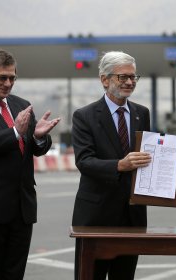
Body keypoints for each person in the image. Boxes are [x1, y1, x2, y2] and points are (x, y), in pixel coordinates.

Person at [71, 51, 151, 280]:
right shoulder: (84, 116)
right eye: (122, 77)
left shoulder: (141, 113)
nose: (129, 82)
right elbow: (84, 161)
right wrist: (120, 165)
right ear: (104, 80)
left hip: (132, 216)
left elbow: (148, 155)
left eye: (133, 77)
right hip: (96, 217)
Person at [0, 48, 60, 280]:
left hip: (22, 210)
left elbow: (36, 150)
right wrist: (14, 132)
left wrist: (39, 136)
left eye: (12, 77)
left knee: (15, 273)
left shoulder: (22, 105)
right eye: (2, 77)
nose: (8, 83)